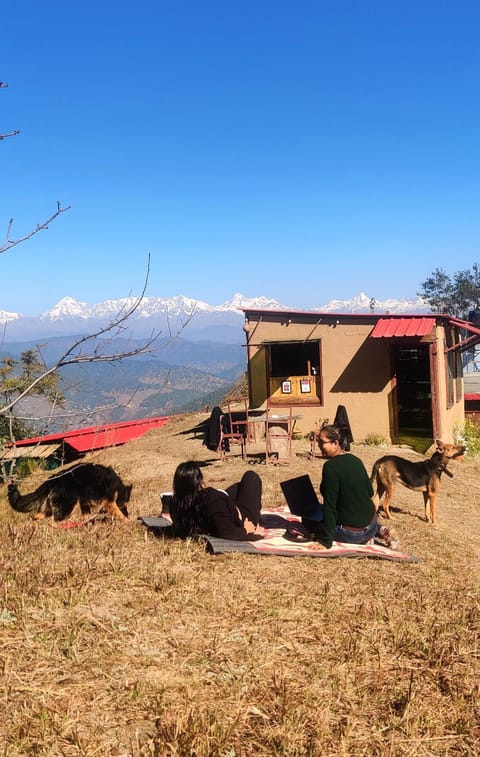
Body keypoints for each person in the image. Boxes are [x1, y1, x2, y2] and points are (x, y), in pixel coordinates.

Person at [308, 425, 398, 550]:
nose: (318, 445)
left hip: (353, 534)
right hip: (371, 523)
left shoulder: (331, 467)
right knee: (353, 517)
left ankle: (363, 539)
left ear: (335, 443)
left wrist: (326, 541)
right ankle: (381, 530)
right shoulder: (355, 460)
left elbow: (330, 506)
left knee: (309, 522)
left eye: (322, 442)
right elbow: (369, 491)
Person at [170, 461, 264, 541]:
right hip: (243, 518)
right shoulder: (213, 501)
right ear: (198, 481)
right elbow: (228, 533)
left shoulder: (175, 504)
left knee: (240, 486)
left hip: (225, 507)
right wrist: (246, 529)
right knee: (251, 477)